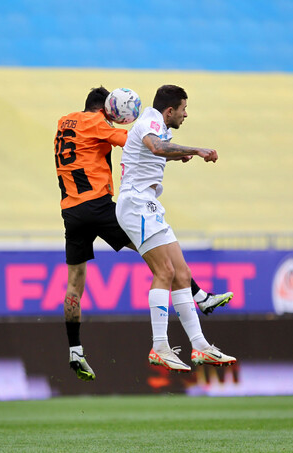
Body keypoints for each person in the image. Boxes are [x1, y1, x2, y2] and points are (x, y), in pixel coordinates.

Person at [56, 87, 233, 381]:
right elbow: (139, 143)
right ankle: (176, 326)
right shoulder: (100, 123)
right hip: (100, 206)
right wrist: (188, 150)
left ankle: (75, 349)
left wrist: (175, 154)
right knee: (160, 260)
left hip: (71, 212)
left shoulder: (64, 123)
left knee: (75, 284)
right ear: (106, 109)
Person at [116, 84, 236, 372]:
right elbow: (155, 146)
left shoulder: (158, 126)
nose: (186, 114)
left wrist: (176, 155)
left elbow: (156, 150)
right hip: (136, 203)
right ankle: (159, 347)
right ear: (169, 110)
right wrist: (196, 150)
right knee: (165, 272)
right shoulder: (151, 121)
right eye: (184, 109)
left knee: (182, 274)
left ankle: (200, 346)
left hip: (148, 204)